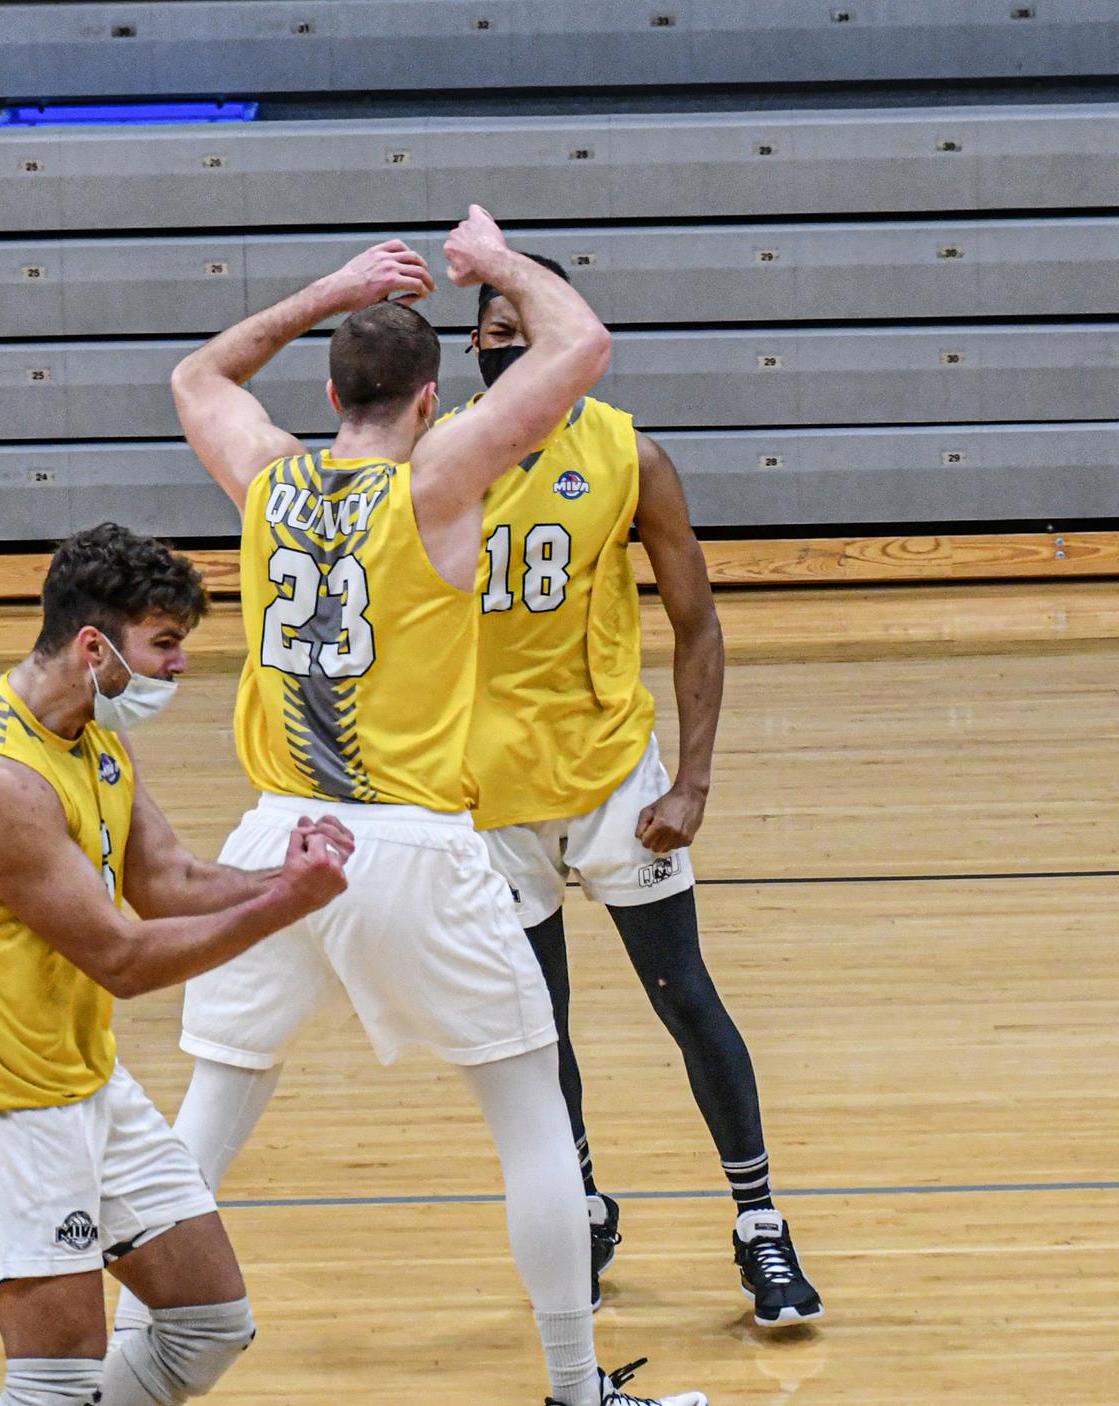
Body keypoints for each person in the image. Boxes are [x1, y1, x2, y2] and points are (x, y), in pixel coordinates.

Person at [116, 209, 707, 1406]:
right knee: (529, 1113)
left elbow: (195, 377)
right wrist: (493, 264)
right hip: (408, 843)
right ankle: (575, 1389)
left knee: (207, 1120)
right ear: (430, 401)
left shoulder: (266, 478)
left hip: (273, 838)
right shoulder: (439, 480)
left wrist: (325, 290)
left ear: (330, 390)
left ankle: (121, 1365)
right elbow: (580, 344)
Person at [0, 524, 354, 1406]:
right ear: (93, 646)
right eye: (166, 644)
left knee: (208, 1323)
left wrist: (284, 874)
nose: (180, 666)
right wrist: (284, 907)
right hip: (1, 1106)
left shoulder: (92, 733)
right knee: (55, 1382)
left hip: (84, 1081)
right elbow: (122, 959)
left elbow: (167, 881)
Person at [462, 254, 822, 1327]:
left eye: (528, 327)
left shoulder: (628, 454)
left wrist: (695, 779)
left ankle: (760, 1223)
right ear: (470, 345)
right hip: (486, 793)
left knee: (684, 995)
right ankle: (578, 1204)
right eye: (493, 329)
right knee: (538, 1026)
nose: (509, 345)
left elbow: (696, 621)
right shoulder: (435, 458)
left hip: (612, 774)